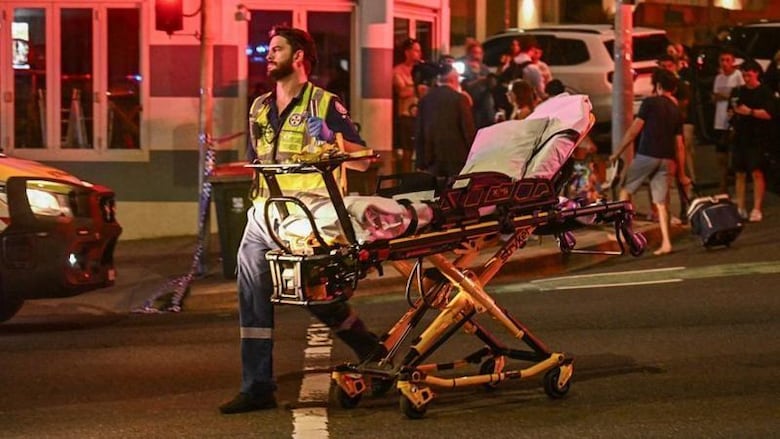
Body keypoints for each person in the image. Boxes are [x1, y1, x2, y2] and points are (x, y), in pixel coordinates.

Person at [220, 26, 382, 414]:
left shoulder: (324, 105)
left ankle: (371, 349)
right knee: (252, 297)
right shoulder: (259, 107)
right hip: (264, 216)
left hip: (308, 216)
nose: (268, 54)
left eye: (277, 49)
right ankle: (257, 386)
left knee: (314, 294)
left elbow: (364, 159)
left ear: (297, 57)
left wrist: (334, 139)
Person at [609, 69, 690, 256]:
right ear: (674, 88)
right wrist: (682, 172)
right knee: (662, 203)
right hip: (668, 159)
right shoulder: (676, 111)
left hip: (647, 155)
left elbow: (634, 131)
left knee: (625, 191)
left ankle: (625, 233)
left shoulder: (650, 103)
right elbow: (680, 145)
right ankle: (667, 242)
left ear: (658, 86)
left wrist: (617, 152)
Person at [728, 59, 775, 222]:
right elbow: (731, 111)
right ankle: (740, 207)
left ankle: (756, 208)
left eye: (748, 75)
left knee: (756, 172)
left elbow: (770, 114)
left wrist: (750, 112)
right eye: (743, 75)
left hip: (757, 137)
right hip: (740, 135)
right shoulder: (738, 92)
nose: (746, 78)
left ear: (756, 73)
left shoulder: (765, 92)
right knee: (739, 172)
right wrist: (732, 114)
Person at [415, 61, 476, 177]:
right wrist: (474, 155)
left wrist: (420, 161)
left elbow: (419, 132)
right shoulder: (460, 99)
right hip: (457, 158)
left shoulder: (425, 100)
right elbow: (468, 130)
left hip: (432, 159)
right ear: (454, 80)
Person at [711, 48, 744, 194]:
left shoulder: (738, 76)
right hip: (720, 120)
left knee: (735, 154)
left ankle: (738, 185)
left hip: (733, 120)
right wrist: (725, 95)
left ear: (733, 61)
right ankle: (723, 185)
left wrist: (725, 95)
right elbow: (714, 97)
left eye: (727, 60)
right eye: (722, 60)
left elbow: (738, 96)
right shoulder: (718, 78)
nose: (725, 63)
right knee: (721, 155)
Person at [393, 38, 425, 174]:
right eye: (416, 50)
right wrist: (418, 87)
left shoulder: (423, 70)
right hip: (407, 116)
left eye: (420, 50)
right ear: (407, 52)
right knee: (407, 151)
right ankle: (405, 179)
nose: (419, 53)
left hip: (423, 116)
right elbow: (402, 92)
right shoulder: (398, 70)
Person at [460, 39, 496, 130]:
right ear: (469, 54)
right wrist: (478, 81)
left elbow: (492, 86)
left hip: (486, 108)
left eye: (480, 53)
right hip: (471, 106)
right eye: (474, 52)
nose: (477, 56)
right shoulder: (463, 68)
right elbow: (463, 87)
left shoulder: (484, 68)